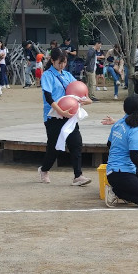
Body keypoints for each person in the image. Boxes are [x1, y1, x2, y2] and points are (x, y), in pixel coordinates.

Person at [37, 47, 93, 186]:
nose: (62, 65)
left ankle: (78, 176)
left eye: (64, 62)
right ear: (52, 60)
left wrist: (87, 100)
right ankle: (44, 170)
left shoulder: (68, 75)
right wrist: (61, 112)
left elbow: (79, 91)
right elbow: (49, 98)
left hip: (70, 115)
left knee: (76, 143)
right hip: (53, 116)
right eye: (59, 62)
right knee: (54, 148)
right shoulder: (47, 75)